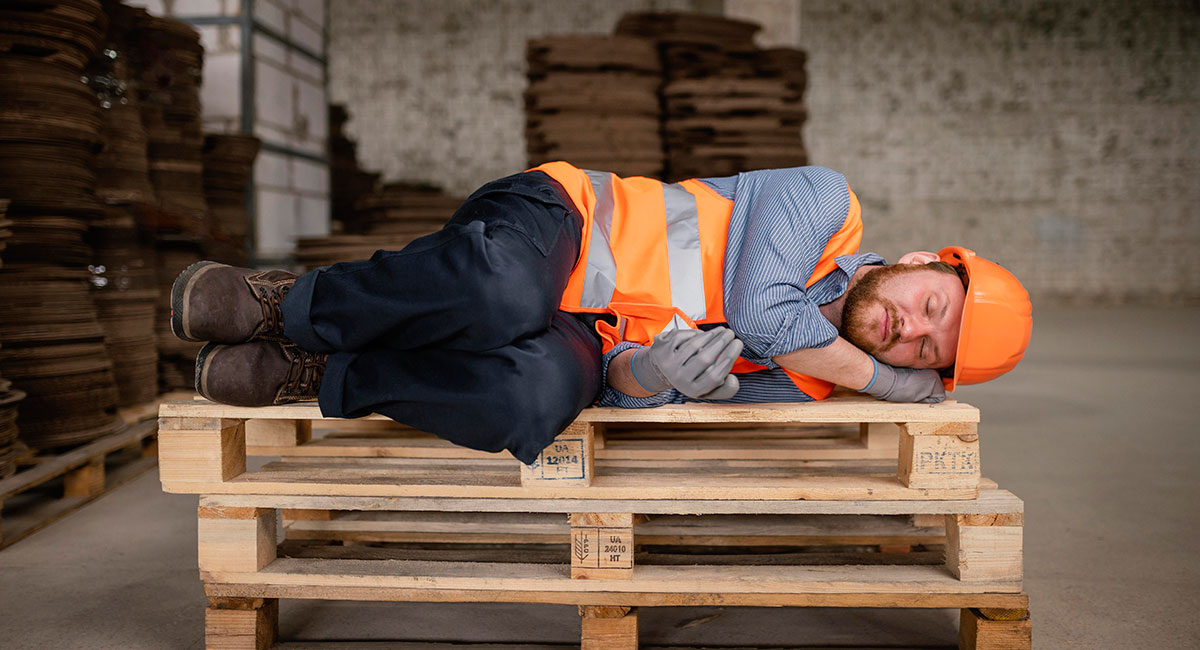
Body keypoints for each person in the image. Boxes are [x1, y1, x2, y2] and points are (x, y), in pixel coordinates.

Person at [171, 162, 1032, 464]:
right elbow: (762, 313)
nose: (909, 331)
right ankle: (290, 305)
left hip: (582, 335)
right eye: (930, 306)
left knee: (530, 404)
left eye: (927, 350)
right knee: (503, 294)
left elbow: (621, 393)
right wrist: (885, 382)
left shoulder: (802, 389)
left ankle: (322, 372)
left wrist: (649, 378)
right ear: (923, 261)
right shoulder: (825, 204)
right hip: (562, 221)